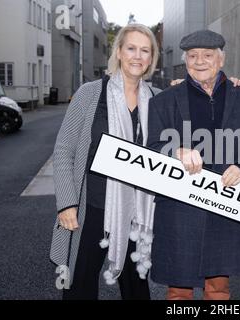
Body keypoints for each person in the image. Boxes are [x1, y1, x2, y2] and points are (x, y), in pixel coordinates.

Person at [50, 24, 161, 300]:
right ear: (119, 52)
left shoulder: (159, 100)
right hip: (93, 208)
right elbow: (64, 150)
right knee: (80, 286)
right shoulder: (90, 94)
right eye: (131, 48)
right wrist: (67, 203)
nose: (137, 56)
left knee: (137, 289)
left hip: (138, 213)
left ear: (151, 58)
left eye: (145, 50)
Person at [147, 30, 240, 300]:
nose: (200, 61)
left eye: (208, 55)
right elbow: (152, 147)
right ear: (185, 61)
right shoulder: (163, 100)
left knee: (218, 289)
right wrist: (175, 150)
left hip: (224, 201)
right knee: (178, 291)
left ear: (221, 60)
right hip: (179, 207)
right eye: (193, 56)